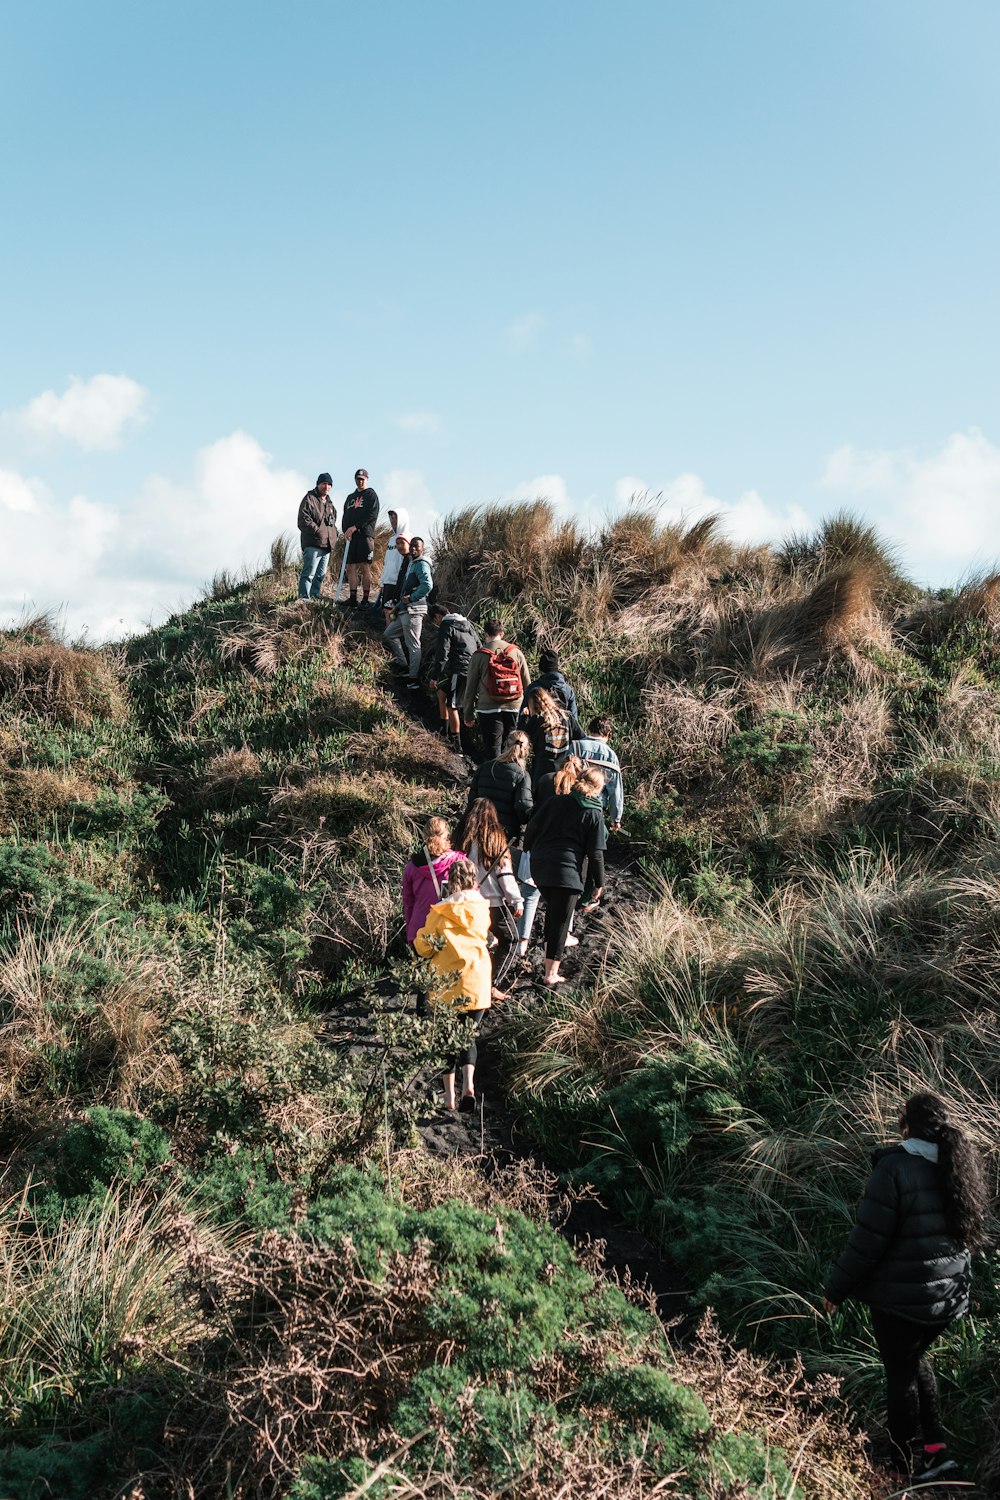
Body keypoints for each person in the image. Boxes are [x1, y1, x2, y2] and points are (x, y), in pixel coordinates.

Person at [823, 1091, 989, 1483]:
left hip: (904, 1299)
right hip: (946, 1299)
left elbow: (868, 1240)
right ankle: (936, 1454)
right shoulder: (956, 1164)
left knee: (900, 1377)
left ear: (905, 1123)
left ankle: (898, 1469)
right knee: (914, 1363)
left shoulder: (894, 1169)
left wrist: (836, 1288)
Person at [413, 857, 492, 1112]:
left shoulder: (440, 912)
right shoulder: (482, 909)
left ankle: (448, 1098)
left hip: (447, 986)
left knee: (446, 1041)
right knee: (467, 1036)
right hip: (477, 981)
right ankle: (469, 1085)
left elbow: (422, 946)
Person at [521, 764, 606, 988]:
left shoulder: (555, 801)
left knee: (553, 913)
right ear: (598, 789)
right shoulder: (594, 814)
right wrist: (599, 884)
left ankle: (548, 958)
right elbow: (595, 855)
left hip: (540, 868)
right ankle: (551, 974)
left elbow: (532, 828)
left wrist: (529, 850)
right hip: (566, 872)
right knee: (560, 921)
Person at [458, 797, 523, 996]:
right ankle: (491, 984)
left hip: (467, 902)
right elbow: (505, 875)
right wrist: (516, 900)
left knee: (476, 944)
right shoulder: (495, 840)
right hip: (493, 903)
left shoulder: (462, 839)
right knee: (511, 939)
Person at [402, 818, 466, 1015]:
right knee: (450, 976)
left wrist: (409, 929)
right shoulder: (458, 861)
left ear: (423, 836)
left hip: (420, 926)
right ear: (447, 835)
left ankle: (422, 1019)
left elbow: (408, 901)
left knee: (424, 981)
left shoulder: (412, 866)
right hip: (448, 926)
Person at [462, 618, 530, 761]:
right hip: (514, 705)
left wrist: (468, 714)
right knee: (512, 744)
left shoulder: (479, 655)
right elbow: (527, 682)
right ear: (502, 634)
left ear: (485, 633)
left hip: (488, 707)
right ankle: (512, 775)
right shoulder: (516, 652)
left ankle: (493, 776)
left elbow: (470, 688)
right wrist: (528, 706)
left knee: (493, 745)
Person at [383, 537, 433, 691]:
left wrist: (411, 598)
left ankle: (414, 679)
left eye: (416, 546)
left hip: (414, 610)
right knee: (389, 634)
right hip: (405, 610)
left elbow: (427, 585)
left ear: (422, 548)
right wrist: (397, 607)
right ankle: (404, 666)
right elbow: (407, 591)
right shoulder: (413, 564)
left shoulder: (421, 564)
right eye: (411, 546)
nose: (413, 549)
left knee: (413, 645)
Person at [429, 603, 480, 751]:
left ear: (438, 616)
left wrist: (434, 677)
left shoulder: (446, 625)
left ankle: (456, 746)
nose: (437, 624)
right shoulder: (467, 624)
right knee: (441, 694)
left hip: (460, 670)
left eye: (435, 621)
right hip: (472, 668)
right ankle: (443, 733)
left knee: (452, 706)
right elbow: (478, 644)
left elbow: (442, 654)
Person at [562, 715, 624, 830]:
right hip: (596, 807)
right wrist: (616, 818)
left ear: (590, 729)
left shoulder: (575, 746)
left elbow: (564, 774)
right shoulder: (611, 755)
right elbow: (615, 790)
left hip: (572, 802)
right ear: (608, 735)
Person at [521, 686, 583, 794]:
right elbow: (581, 737)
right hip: (565, 769)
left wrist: (524, 718)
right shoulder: (567, 716)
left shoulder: (537, 720)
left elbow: (521, 738)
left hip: (542, 770)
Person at [341, 468, 380, 608]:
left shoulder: (371, 495)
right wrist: (346, 531)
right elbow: (345, 515)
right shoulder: (350, 497)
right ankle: (352, 598)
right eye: (358, 479)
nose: (360, 481)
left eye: (363, 479)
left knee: (365, 566)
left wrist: (356, 527)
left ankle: (365, 599)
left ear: (367, 479)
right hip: (351, 537)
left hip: (365, 535)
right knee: (351, 566)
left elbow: (372, 515)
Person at [296, 473, 338, 600]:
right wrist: (318, 531)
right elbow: (303, 520)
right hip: (313, 544)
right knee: (309, 573)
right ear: (318, 484)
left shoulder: (330, 504)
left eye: (329, 484)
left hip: (326, 545)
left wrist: (334, 536)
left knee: (320, 575)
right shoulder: (309, 498)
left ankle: (314, 597)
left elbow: (332, 523)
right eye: (324, 483)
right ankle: (304, 598)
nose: (327, 486)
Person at [524, 649, 579, 720]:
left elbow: (524, 713)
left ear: (541, 668)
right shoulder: (567, 689)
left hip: (538, 730)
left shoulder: (532, 689)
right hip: (563, 729)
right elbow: (574, 717)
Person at [379, 507, 411, 621]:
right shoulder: (392, 539)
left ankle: (393, 635)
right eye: (391, 517)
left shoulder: (408, 538)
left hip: (399, 582)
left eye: (395, 517)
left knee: (394, 611)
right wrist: (382, 582)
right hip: (388, 581)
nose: (393, 520)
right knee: (386, 610)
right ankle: (389, 635)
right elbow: (387, 562)